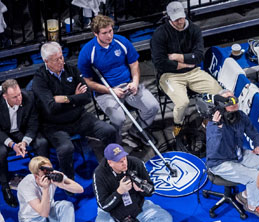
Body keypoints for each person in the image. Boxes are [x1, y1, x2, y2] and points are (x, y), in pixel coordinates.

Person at [33, 41, 119, 181]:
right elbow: (51, 107)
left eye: (61, 57)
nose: (61, 61)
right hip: (55, 125)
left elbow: (86, 97)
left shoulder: (71, 69)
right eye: (57, 59)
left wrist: (65, 99)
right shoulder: (39, 80)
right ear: (46, 61)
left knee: (108, 130)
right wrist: (75, 97)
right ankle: (68, 180)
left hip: (80, 117)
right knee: (66, 149)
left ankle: (110, 166)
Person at [79, 14, 161, 143]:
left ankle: (137, 130)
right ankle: (114, 141)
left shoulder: (121, 41)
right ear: (95, 34)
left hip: (128, 85)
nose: (109, 36)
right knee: (119, 119)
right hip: (106, 92)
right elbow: (88, 82)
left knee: (153, 106)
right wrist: (111, 90)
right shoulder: (87, 52)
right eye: (104, 33)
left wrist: (135, 82)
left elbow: (134, 64)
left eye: (110, 31)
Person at [151, 1, 223, 138]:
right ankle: (178, 125)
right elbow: (160, 63)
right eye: (176, 19)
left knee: (218, 91)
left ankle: (207, 121)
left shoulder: (194, 30)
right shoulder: (159, 35)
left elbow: (199, 56)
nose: (180, 21)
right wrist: (186, 63)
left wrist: (177, 57)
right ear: (169, 18)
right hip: (169, 76)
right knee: (182, 102)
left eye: (181, 17)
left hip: (194, 72)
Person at [92, 143, 172, 222]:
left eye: (124, 158)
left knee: (166, 219)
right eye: (120, 161)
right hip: (112, 212)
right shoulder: (99, 174)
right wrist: (119, 192)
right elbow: (103, 205)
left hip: (136, 205)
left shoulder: (135, 163)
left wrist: (141, 190)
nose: (124, 163)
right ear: (110, 162)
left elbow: (151, 190)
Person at [205, 92, 259, 218]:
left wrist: (258, 145)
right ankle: (252, 206)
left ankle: (243, 196)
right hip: (220, 162)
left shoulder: (240, 115)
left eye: (233, 96)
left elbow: (254, 133)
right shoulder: (213, 125)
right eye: (228, 99)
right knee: (254, 177)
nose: (233, 101)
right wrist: (217, 127)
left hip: (238, 154)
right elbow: (213, 150)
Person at [0, 79, 50, 197]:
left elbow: (33, 123)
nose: (19, 98)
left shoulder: (29, 97)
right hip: (3, 134)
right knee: (0, 153)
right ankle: (5, 186)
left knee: (42, 143)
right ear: (5, 96)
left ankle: (44, 177)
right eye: (14, 97)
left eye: (19, 94)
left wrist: (24, 142)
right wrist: (12, 145)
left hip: (22, 131)